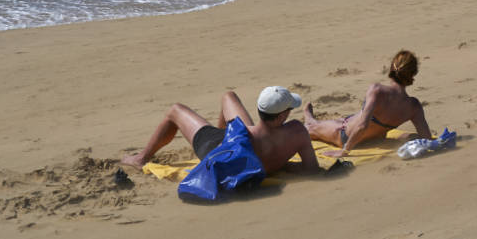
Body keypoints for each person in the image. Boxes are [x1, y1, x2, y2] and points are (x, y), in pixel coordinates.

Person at [121, 84, 329, 176]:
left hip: (219, 149)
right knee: (228, 97)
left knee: (176, 111)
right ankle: (220, 130)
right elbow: (311, 169)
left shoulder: (245, 133)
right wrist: (283, 166)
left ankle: (141, 158)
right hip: (245, 146)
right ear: (283, 115)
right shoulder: (297, 132)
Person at [305, 50, 432, 161]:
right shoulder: (414, 106)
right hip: (375, 139)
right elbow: (427, 138)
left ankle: (310, 120)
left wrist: (345, 151)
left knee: (312, 128)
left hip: (345, 136)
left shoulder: (378, 90)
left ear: (392, 68)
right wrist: (409, 138)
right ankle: (312, 118)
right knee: (344, 119)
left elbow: (362, 126)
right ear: (413, 74)